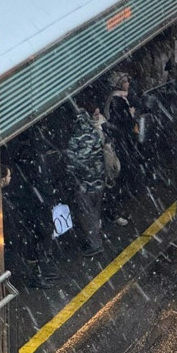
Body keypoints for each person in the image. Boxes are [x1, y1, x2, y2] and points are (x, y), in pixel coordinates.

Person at [66, 100, 107, 257]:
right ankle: (97, 239)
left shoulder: (75, 139)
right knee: (95, 213)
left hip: (85, 185)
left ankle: (95, 244)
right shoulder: (95, 133)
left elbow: (71, 163)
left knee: (87, 215)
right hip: (99, 181)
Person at [104, 71, 143, 221]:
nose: (128, 84)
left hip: (123, 143)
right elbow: (124, 121)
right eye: (125, 81)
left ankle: (117, 209)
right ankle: (114, 212)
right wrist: (130, 115)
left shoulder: (123, 97)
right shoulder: (116, 100)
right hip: (120, 144)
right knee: (118, 177)